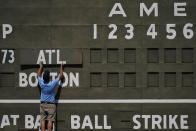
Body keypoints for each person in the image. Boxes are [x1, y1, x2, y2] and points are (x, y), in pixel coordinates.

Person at [37, 63, 63, 131]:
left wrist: (40, 67)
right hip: (51, 105)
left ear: (43, 78)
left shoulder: (41, 83)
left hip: (43, 104)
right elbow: (60, 75)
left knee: (42, 120)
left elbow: (37, 76)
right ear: (49, 77)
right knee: (50, 120)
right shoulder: (52, 84)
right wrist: (61, 66)